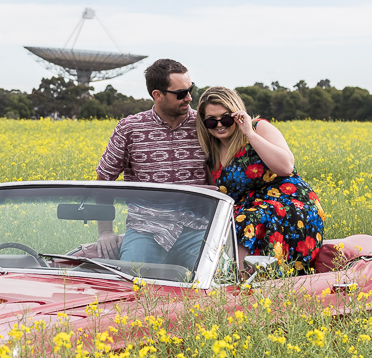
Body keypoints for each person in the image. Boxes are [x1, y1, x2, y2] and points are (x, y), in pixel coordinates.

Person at [92, 59, 210, 268]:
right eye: (181, 94)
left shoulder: (205, 124)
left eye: (190, 90)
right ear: (158, 95)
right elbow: (104, 180)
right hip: (146, 231)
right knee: (133, 285)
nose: (189, 98)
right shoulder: (130, 128)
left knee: (219, 285)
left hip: (197, 230)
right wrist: (105, 231)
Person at [195, 86, 326, 272]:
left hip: (289, 204)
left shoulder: (258, 128)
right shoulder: (212, 157)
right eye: (211, 121)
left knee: (243, 223)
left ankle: (238, 282)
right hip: (250, 210)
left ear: (237, 114)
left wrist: (249, 133)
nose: (219, 125)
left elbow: (286, 167)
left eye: (225, 118)